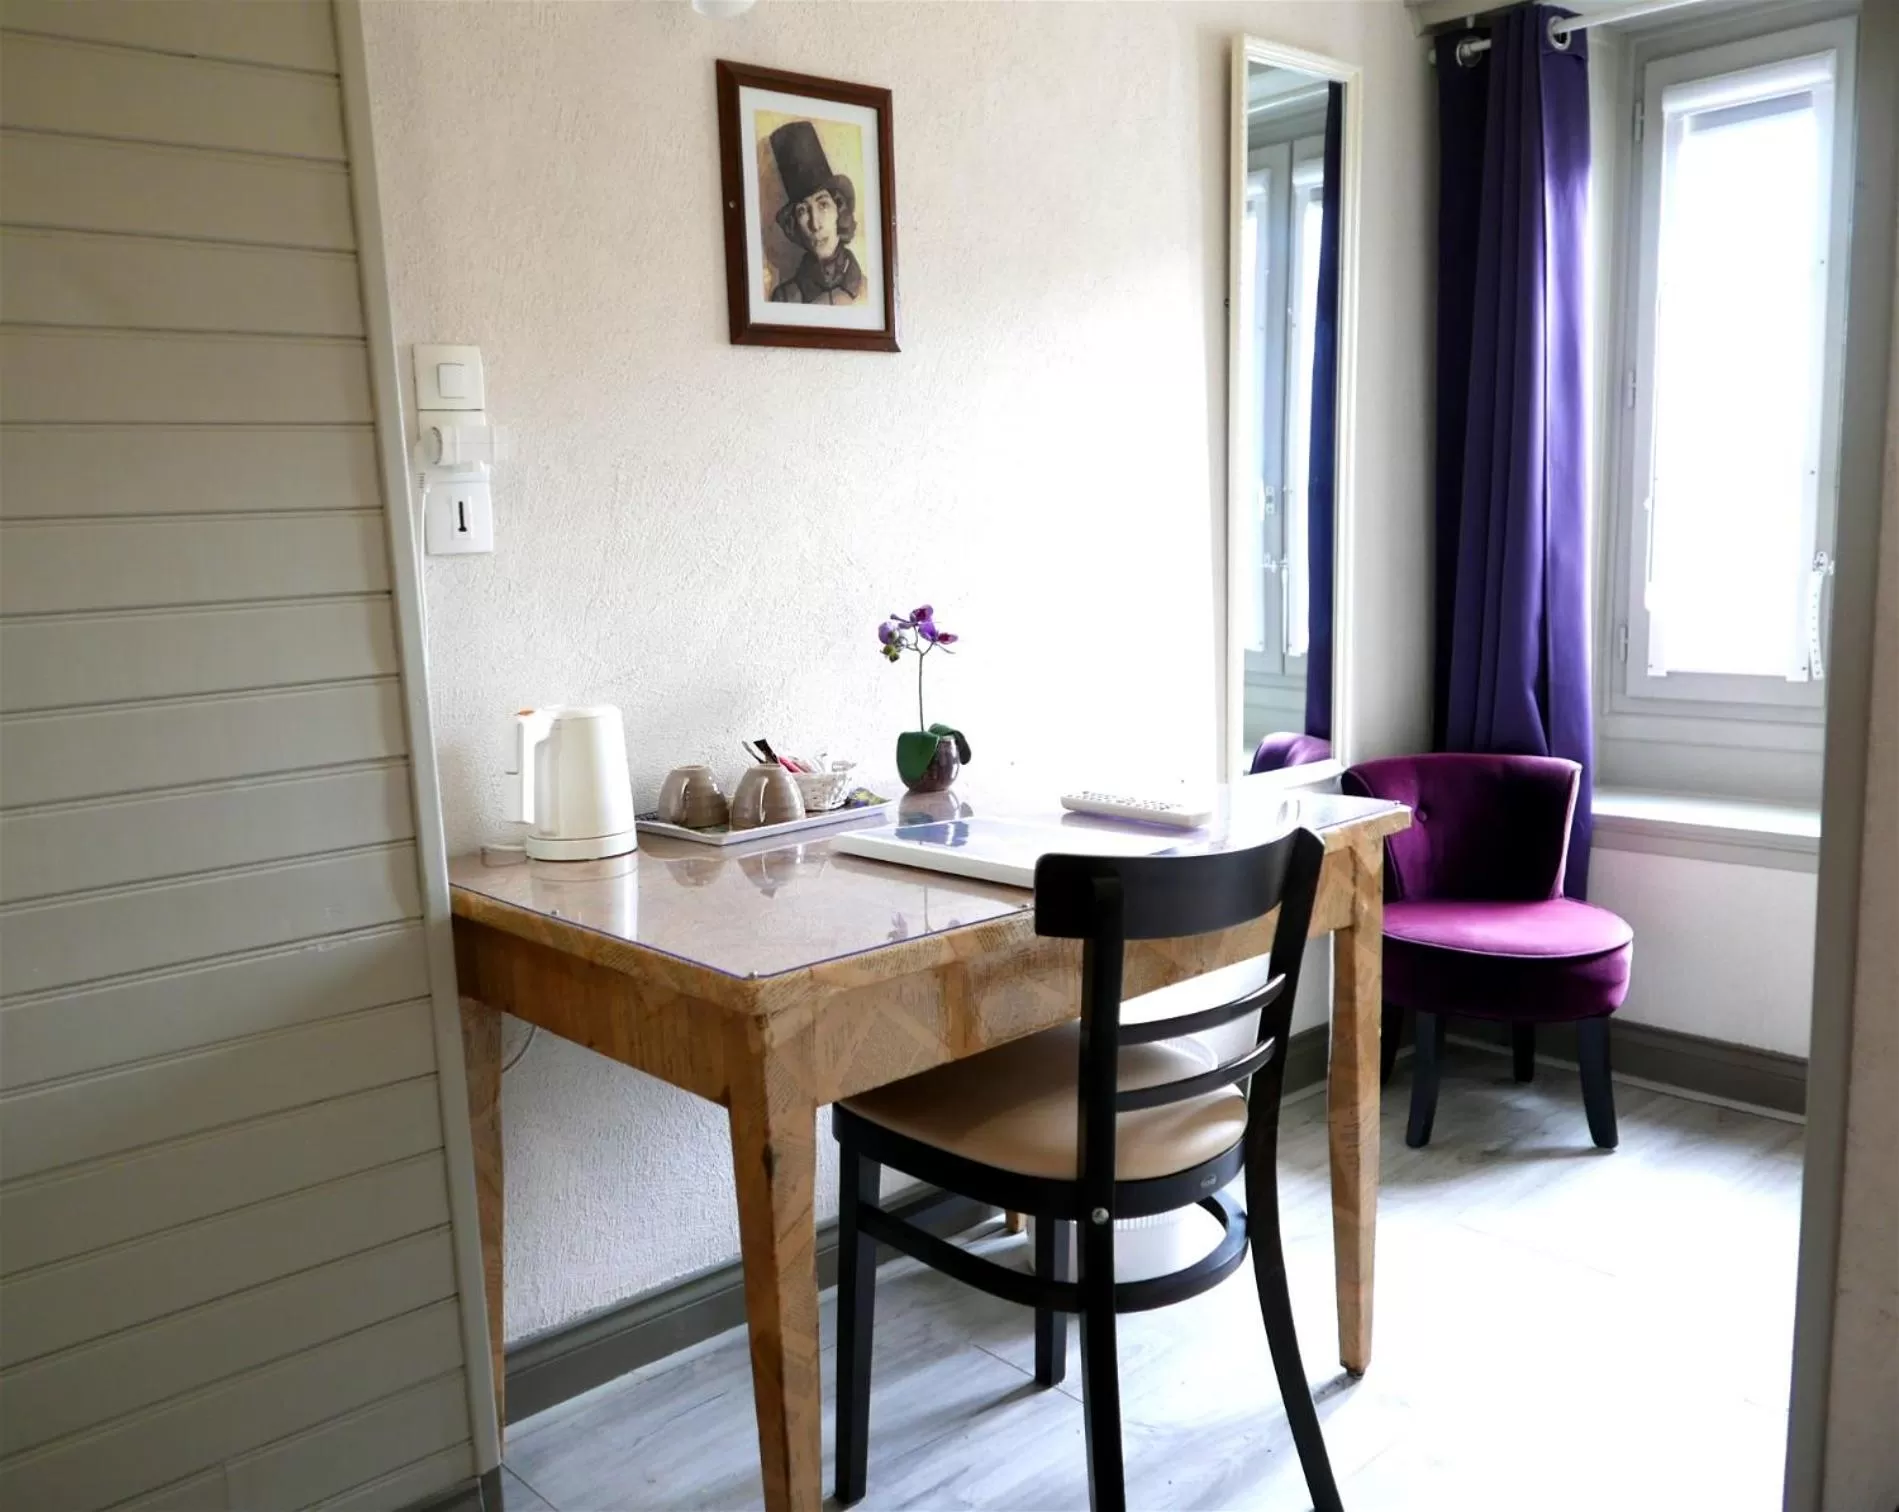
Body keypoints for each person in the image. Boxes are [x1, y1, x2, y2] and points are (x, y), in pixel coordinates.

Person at [766, 120, 865, 306]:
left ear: (839, 209)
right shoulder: (785, 299)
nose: (815, 224)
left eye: (823, 205)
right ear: (794, 224)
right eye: (803, 210)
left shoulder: (868, 292)